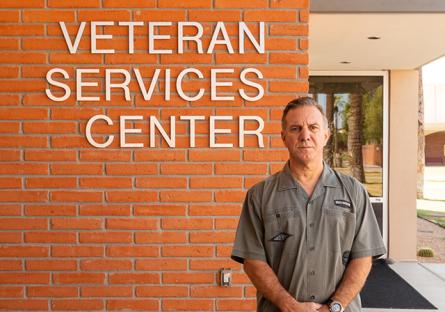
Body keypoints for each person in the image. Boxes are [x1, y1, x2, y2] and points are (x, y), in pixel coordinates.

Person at [231, 97, 386, 312]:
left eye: (313, 127)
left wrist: (335, 306)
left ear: (326, 135)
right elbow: (253, 261)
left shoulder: (354, 192)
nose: (305, 135)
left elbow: (362, 257)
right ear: (284, 137)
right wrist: (289, 305)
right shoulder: (260, 195)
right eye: (295, 128)